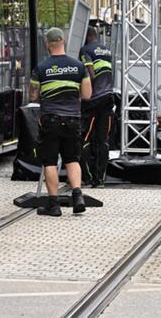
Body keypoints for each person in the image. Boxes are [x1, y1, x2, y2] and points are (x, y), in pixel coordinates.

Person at [29, 27, 92, 216]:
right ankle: (78, 196)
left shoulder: (41, 68)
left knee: (49, 161)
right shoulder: (79, 67)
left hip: (50, 120)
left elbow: (33, 96)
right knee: (72, 159)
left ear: (48, 45)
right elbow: (88, 94)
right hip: (73, 119)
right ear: (63, 41)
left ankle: (54, 205)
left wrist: (47, 98)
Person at [79, 26, 114, 187]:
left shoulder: (85, 50)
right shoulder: (107, 50)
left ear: (86, 36)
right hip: (108, 98)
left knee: (84, 137)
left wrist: (81, 92)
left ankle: (88, 177)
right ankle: (100, 179)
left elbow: (90, 74)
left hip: (93, 100)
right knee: (103, 140)